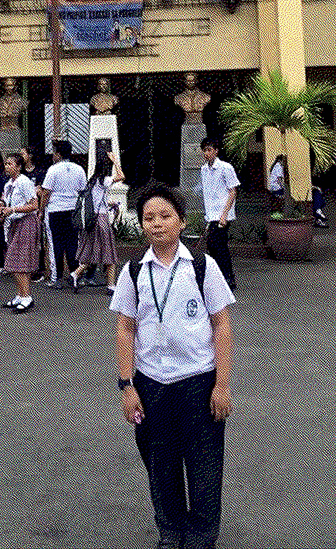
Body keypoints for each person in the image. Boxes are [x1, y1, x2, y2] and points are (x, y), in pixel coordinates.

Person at [110, 183, 234, 549]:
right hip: (151, 385)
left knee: (204, 463)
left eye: (165, 216)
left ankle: (201, 534)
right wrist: (127, 385)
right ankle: (170, 529)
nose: (157, 224)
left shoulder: (201, 267)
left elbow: (222, 324)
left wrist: (222, 385)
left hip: (198, 381)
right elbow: (125, 328)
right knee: (159, 464)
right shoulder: (133, 271)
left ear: (181, 221)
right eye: (149, 218)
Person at [70, 151, 123, 293]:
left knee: (93, 252)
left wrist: (110, 203)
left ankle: (76, 273)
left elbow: (98, 200)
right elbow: (122, 176)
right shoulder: (104, 180)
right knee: (109, 253)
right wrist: (116, 161)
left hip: (91, 220)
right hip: (101, 220)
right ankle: (111, 286)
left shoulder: (92, 181)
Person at [40, 139, 86, 289]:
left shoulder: (53, 170)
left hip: (56, 210)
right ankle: (75, 274)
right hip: (73, 210)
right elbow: (82, 192)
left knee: (56, 244)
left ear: (58, 154)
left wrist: (41, 210)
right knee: (73, 243)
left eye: (54, 153)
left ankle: (57, 277)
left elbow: (46, 192)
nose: (53, 156)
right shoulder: (79, 169)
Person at [0, 153, 39, 312]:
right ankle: (21, 295)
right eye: (6, 163)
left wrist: (12, 209)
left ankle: (27, 296)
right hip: (15, 222)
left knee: (16, 261)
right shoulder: (9, 183)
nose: (7, 166)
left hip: (26, 222)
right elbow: (5, 201)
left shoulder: (24, 182)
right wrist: (1, 208)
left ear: (19, 166)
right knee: (20, 262)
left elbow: (34, 205)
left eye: (10, 164)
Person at [199, 138, 240, 293]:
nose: (207, 153)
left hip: (223, 214)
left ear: (216, 151)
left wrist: (224, 214)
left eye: (210, 150)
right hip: (211, 214)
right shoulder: (204, 170)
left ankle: (228, 277)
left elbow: (233, 191)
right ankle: (219, 277)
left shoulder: (225, 167)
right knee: (212, 246)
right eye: (205, 150)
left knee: (219, 246)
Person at [21, 145, 48, 282]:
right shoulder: (21, 174)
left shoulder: (40, 172)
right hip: (22, 210)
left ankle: (40, 269)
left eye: (23, 154)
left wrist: (41, 210)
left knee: (38, 240)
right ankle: (27, 267)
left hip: (35, 210)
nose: (21, 156)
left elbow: (42, 191)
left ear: (30, 156)